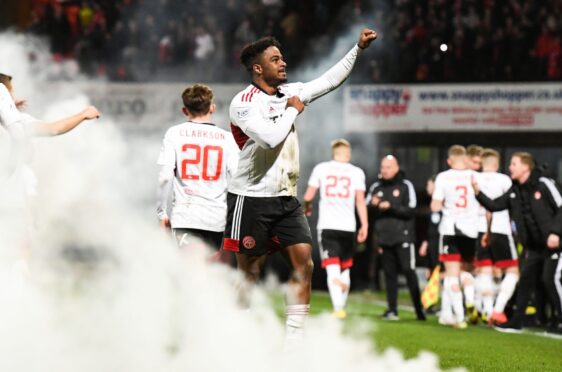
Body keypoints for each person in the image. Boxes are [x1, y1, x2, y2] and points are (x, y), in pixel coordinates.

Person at [223, 28, 377, 344]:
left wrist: (357, 49)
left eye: (281, 57)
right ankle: (238, 336)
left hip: (287, 199)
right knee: (249, 273)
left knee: (305, 264)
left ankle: (294, 344)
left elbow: (329, 80)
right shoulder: (243, 103)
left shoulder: (290, 92)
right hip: (251, 199)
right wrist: (293, 108)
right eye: (274, 59)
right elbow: (269, 138)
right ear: (257, 68)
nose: (283, 63)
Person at [472, 152, 562, 334]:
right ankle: (517, 321)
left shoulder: (544, 184)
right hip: (534, 247)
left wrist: (556, 232)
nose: (510, 168)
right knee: (526, 282)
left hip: (555, 243)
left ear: (525, 167)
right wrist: (478, 193)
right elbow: (494, 206)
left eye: (513, 164)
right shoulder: (515, 190)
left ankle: (559, 319)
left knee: (549, 279)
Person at [157, 84, 239, 254]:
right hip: (217, 218)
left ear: (184, 110)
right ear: (212, 107)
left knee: (190, 272)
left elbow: (165, 177)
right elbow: (238, 179)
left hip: (186, 216)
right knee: (212, 273)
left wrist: (162, 213)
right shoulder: (228, 138)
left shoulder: (174, 133)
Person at [302, 139, 368, 319]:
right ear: (347, 154)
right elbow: (360, 201)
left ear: (333, 153)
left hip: (328, 225)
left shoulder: (321, 169)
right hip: (349, 226)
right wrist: (365, 225)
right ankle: (341, 306)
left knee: (332, 267)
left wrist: (307, 206)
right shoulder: (357, 172)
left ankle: (338, 308)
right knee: (345, 267)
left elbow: (308, 196)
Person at [367, 155, 425, 321]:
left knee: (409, 271)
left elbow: (411, 210)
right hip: (384, 238)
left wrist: (390, 207)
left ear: (396, 168)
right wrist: (373, 204)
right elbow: (365, 206)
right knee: (389, 274)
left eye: (388, 167)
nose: (385, 170)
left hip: (404, 236)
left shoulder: (406, 186)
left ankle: (419, 310)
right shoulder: (376, 186)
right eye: (383, 167)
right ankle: (392, 310)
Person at [431, 145, 479, 329]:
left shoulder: (443, 177)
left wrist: (439, 205)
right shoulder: (475, 176)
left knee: (451, 275)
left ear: (449, 161)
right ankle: (469, 299)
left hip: (450, 230)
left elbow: (435, 206)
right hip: (471, 231)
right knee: (466, 271)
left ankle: (460, 317)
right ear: (465, 159)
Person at [473, 149, 519, 325]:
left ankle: (486, 309)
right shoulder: (504, 180)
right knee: (513, 271)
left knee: (484, 271)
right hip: (500, 229)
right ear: (496, 164)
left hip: (478, 229)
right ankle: (497, 310)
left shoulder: (474, 178)